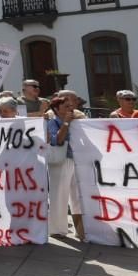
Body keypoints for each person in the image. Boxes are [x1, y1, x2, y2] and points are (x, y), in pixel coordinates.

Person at [47, 90, 86, 240]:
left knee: (77, 196)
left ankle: (80, 228)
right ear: (57, 109)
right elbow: (58, 141)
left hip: (76, 159)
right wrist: (66, 123)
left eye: (71, 106)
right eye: (66, 106)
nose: (70, 108)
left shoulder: (77, 120)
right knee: (59, 195)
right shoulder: (53, 122)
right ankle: (57, 229)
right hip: (60, 161)